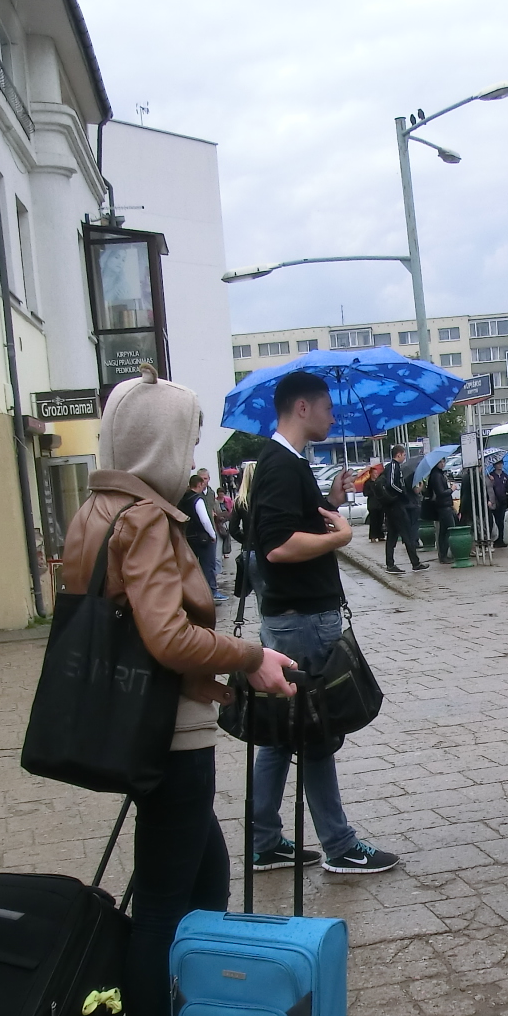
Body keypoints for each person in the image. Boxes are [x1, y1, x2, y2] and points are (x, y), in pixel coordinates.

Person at [66, 375, 296, 1016]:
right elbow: (167, 637)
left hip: (133, 727)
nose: (193, 456)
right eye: (187, 439)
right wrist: (248, 657)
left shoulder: (95, 511)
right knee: (164, 907)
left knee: (205, 877)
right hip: (170, 734)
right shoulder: (146, 521)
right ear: (161, 443)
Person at [247, 372, 401, 874]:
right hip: (303, 621)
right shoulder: (279, 464)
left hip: (291, 618)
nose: (333, 417)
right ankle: (339, 845)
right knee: (316, 732)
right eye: (328, 408)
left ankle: (264, 841)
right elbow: (277, 546)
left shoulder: (286, 463)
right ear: (302, 408)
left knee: (281, 734)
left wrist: (330, 504)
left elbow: (288, 528)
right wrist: (339, 537)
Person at [177, 471, 224, 602]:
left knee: (192, 566)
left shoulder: (183, 498)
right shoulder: (197, 499)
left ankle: (194, 593)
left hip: (188, 536)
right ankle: (212, 592)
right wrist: (212, 534)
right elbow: (205, 520)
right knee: (208, 565)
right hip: (202, 537)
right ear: (198, 484)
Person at [385, 453, 425, 572]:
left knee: (392, 536)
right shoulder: (393, 466)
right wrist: (402, 493)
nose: (404, 457)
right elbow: (391, 484)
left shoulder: (395, 467)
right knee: (407, 534)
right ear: (399, 455)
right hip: (397, 507)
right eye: (403, 455)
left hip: (392, 507)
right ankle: (415, 563)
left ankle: (390, 564)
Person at [423, 457, 456, 562]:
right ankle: (444, 554)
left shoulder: (439, 474)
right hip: (443, 506)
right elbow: (440, 493)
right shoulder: (436, 475)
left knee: (444, 531)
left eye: (443, 461)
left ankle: (443, 554)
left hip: (444, 506)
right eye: (440, 462)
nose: (442, 464)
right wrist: (451, 490)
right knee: (449, 530)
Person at [487, 460, 508, 547]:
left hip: (503, 500)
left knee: (501, 520)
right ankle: (495, 538)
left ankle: (501, 539)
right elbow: (489, 488)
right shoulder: (491, 475)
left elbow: (507, 489)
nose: (500, 465)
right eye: (498, 464)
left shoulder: (505, 476)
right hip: (495, 501)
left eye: (501, 464)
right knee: (496, 520)